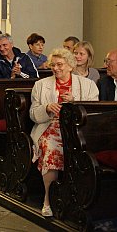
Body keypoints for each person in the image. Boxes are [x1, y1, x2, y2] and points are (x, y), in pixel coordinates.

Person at [29, 48, 99, 216]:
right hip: (50, 127)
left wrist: (76, 103)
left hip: (77, 130)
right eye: (53, 65)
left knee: (81, 152)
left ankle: (80, 199)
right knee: (51, 149)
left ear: (70, 65)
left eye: (60, 64)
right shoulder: (41, 85)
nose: (56, 68)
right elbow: (32, 113)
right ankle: (48, 198)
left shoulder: (87, 85)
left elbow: (94, 111)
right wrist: (46, 108)